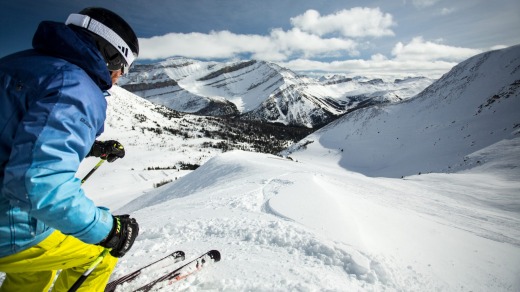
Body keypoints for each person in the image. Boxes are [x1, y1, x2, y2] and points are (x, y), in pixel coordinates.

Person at [0, 7, 140, 291]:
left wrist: (93, 148)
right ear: (109, 54)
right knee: (100, 256)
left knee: (34, 272)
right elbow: (38, 184)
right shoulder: (76, 86)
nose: (118, 77)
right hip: (9, 229)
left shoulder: (16, 63)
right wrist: (109, 231)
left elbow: (19, 133)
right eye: (123, 68)